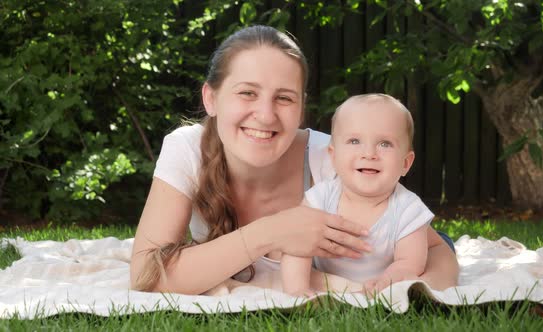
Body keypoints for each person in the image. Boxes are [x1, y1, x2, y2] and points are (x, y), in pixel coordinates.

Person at [130, 25, 458, 295]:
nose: (265, 114)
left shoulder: (329, 159)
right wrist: (272, 232)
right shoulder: (188, 149)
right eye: (247, 93)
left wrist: (417, 293)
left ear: (301, 107)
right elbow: (146, 275)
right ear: (211, 98)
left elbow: (435, 247)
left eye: (284, 98)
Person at [281, 94, 455, 296]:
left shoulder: (408, 209)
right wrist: (297, 291)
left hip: (378, 282)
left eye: (385, 144)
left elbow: (408, 263)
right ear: (333, 156)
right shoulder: (319, 198)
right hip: (330, 281)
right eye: (354, 141)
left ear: (406, 163)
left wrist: (388, 282)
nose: (369, 153)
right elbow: (296, 248)